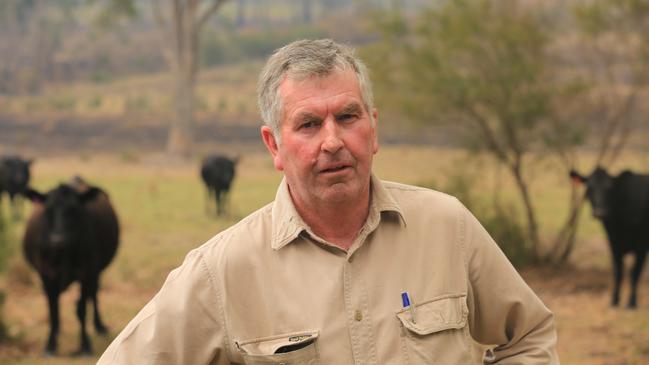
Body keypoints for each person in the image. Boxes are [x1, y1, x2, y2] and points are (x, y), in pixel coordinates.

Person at [98, 39, 559, 364]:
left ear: (373, 128)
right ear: (274, 146)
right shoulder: (222, 271)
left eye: (347, 116)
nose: (333, 140)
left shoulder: (446, 226)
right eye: (308, 125)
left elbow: (530, 336)